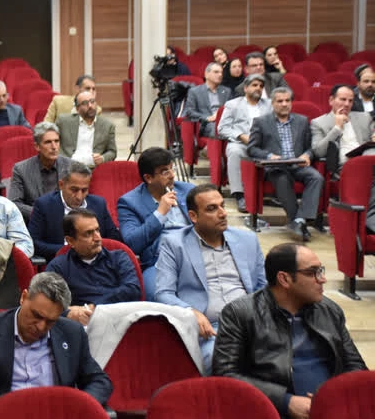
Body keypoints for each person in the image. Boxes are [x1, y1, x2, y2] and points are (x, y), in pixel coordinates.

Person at [213, 243, 367, 418]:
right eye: (312, 272)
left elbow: (356, 366)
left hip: (332, 409)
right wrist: (285, 402)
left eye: (321, 271)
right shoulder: (240, 313)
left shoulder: (329, 310)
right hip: (271, 412)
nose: (322, 279)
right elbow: (226, 374)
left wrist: (333, 396)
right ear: (284, 279)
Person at [0, 272, 112, 419]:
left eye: (50, 321)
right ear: (24, 297)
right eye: (36, 315)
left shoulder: (72, 333)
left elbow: (99, 381)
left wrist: (77, 407)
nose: (41, 327)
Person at [156, 184, 267, 373]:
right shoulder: (175, 243)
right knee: (224, 362)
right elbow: (163, 293)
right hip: (211, 330)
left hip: (251, 323)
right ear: (193, 216)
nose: (222, 213)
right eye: (212, 209)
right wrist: (190, 312)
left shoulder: (247, 240)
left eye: (222, 205)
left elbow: (263, 287)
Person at [117, 147, 194, 301]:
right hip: (160, 261)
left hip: (195, 253)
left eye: (172, 168)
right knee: (156, 296)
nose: (172, 175)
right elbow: (132, 243)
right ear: (148, 178)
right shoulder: (129, 202)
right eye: (165, 171)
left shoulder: (188, 191)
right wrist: (159, 213)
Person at [247, 87, 324, 241]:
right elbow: (252, 148)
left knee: (316, 177)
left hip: (298, 164)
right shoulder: (261, 122)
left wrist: (307, 155)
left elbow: (311, 147)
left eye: (287, 100)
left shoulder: (302, 121)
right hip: (276, 166)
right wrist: (270, 156)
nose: (284, 104)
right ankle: (299, 222)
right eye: (280, 101)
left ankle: (299, 220)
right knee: (282, 179)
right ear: (272, 103)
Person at [46, 209, 140, 325]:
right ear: (70, 241)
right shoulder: (58, 267)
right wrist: (68, 313)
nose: (97, 238)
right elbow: (47, 303)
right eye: (88, 233)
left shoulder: (119, 258)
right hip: (83, 326)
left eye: (97, 230)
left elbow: (133, 290)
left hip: (121, 321)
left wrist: (94, 307)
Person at [28, 161, 121, 262]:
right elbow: (34, 243)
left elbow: (114, 239)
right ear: (61, 185)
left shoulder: (99, 204)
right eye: (74, 190)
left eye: (84, 190)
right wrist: (71, 250)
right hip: (61, 262)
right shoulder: (44, 205)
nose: (79, 197)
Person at [217, 73, 271, 213]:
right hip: (241, 143)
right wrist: (241, 136)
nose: (258, 88)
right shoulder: (233, 104)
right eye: (254, 85)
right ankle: (239, 195)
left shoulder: (269, 105)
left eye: (261, 86)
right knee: (234, 151)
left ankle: (273, 192)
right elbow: (222, 129)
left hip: (263, 145)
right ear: (245, 88)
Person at [8, 121, 72, 222]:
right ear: (37, 146)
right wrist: (41, 213)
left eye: (56, 141)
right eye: (48, 142)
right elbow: (14, 202)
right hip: (35, 221)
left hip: (65, 221)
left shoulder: (70, 166)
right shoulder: (21, 169)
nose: (54, 147)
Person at [311, 84, 375, 178]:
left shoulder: (364, 117)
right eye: (343, 99)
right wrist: (337, 128)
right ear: (331, 100)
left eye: (350, 101)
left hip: (368, 161)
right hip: (345, 166)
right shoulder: (319, 123)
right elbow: (319, 152)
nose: (347, 104)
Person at [56, 90, 117, 168]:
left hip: (93, 169)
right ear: (77, 109)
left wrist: (102, 158)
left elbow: (112, 152)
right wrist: (63, 160)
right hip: (68, 167)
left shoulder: (108, 126)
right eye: (85, 103)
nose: (90, 106)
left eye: (92, 101)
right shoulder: (63, 122)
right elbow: (53, 142)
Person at [184, 62, 232, 138]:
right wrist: (207, 118)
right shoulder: (194, 91)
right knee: (215, 127)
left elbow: (231, 109)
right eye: (216, 72)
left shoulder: (226, 91)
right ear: (206, 74)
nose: (220, 75)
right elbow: (190, 111)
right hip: (206, 123)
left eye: (221, 72)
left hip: (225, 121)